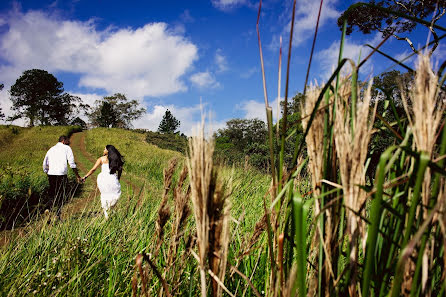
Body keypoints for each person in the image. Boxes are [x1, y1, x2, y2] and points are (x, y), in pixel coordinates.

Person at [43, 135, 81, 219]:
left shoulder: (51, 149)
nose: (69, 143)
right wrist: (77, 176)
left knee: (52, 193)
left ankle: (48, 208)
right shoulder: (67, 148)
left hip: (51, 174)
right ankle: (57, 214)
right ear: (63, 141)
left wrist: (47, 172)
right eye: (68, 141)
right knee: (61, 194)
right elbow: (72, 164)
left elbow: (45, 163)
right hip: (61, 175)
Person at [82, 145, 123, 219]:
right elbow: (120, 170)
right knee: (114, 195)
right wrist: (118, 179)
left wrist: (85, 176)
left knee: (104, 195)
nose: (103, 150)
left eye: (104, 149)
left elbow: (93, 169)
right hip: (113, 179)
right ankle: (112, 213)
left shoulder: (101, 159)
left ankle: (107, 215)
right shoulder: (116, 159)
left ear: (107, 151)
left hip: (104, 179)